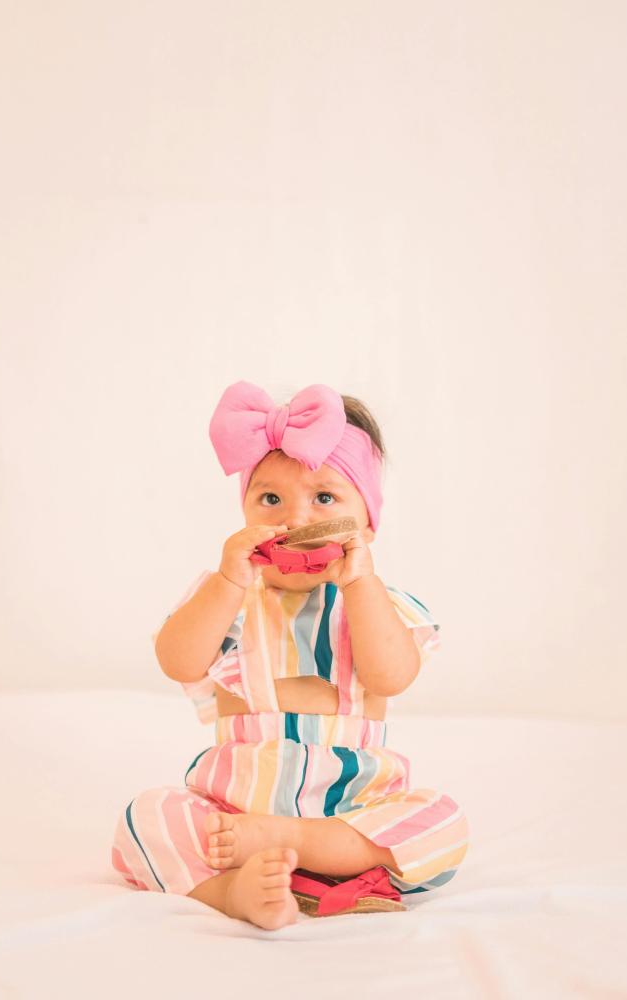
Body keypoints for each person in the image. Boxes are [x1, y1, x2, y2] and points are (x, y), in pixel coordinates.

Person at [111, 381, 469, 930]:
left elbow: (390, 677)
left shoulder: (376, 604)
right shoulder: (227, 599)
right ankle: (234, 890)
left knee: (444, 826)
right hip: (236, 816)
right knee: (147, 816)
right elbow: (178, 662)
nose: (295, 520)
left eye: (324, 499)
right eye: (271, 500)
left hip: (353, 813)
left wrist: (361, 584)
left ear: (367, 523)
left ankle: (294, 844)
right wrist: (228, 580)